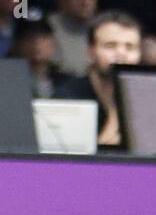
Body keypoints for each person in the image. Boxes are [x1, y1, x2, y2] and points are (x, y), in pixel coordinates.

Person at [53, 11, 142, 147]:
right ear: (91, 52)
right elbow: (68, 163)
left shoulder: (150, 97)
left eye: (130, 47)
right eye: (110, 46)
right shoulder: (67, 98)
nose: (121, 54)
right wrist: (115, 114)